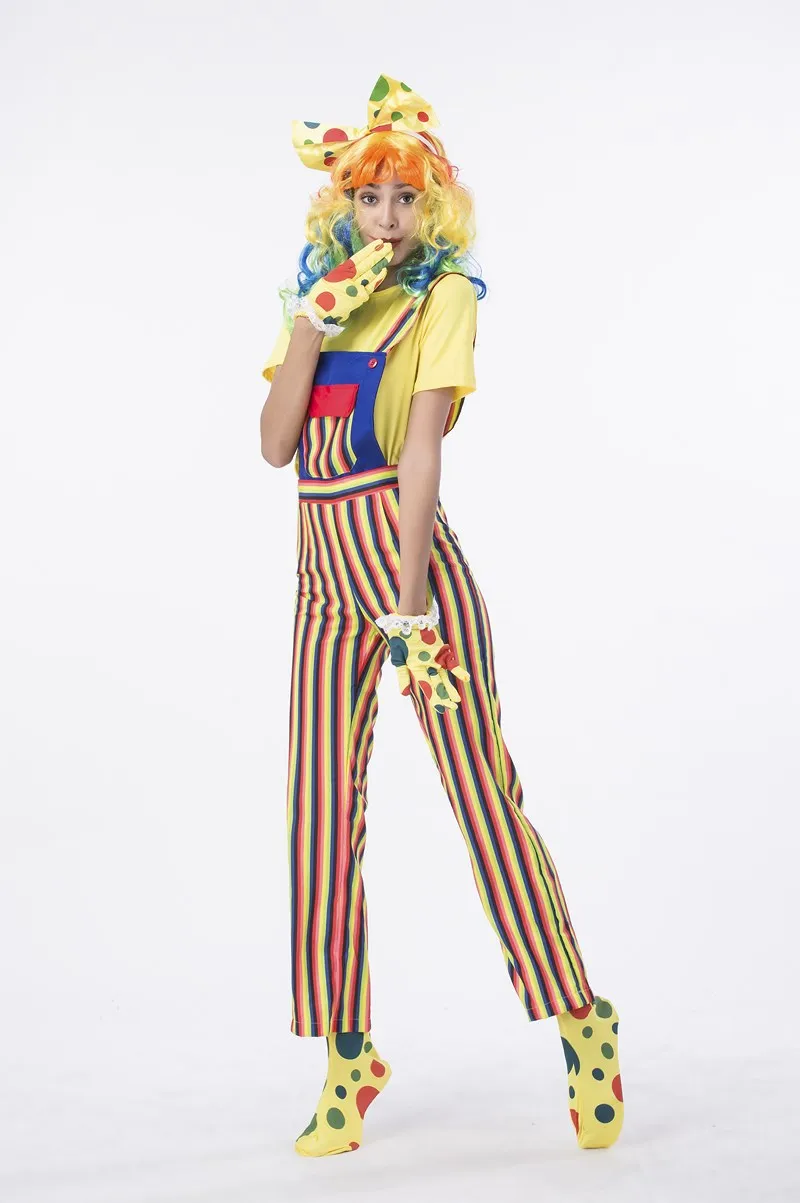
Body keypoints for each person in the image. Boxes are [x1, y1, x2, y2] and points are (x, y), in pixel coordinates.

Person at [259, 72, 624, 1158]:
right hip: (320, 576)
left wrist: (412, 607)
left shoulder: (444, 296)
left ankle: (582, 1019)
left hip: (404, 560)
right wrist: (312, 321)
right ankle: (347, 1056)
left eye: (404, 198)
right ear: (343, 202)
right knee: (319, 813)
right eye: (368, 197)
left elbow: (419, 452)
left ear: (434, 204)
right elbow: (274, 445)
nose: (385, 217)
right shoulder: (319, 293)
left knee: (481, 800)